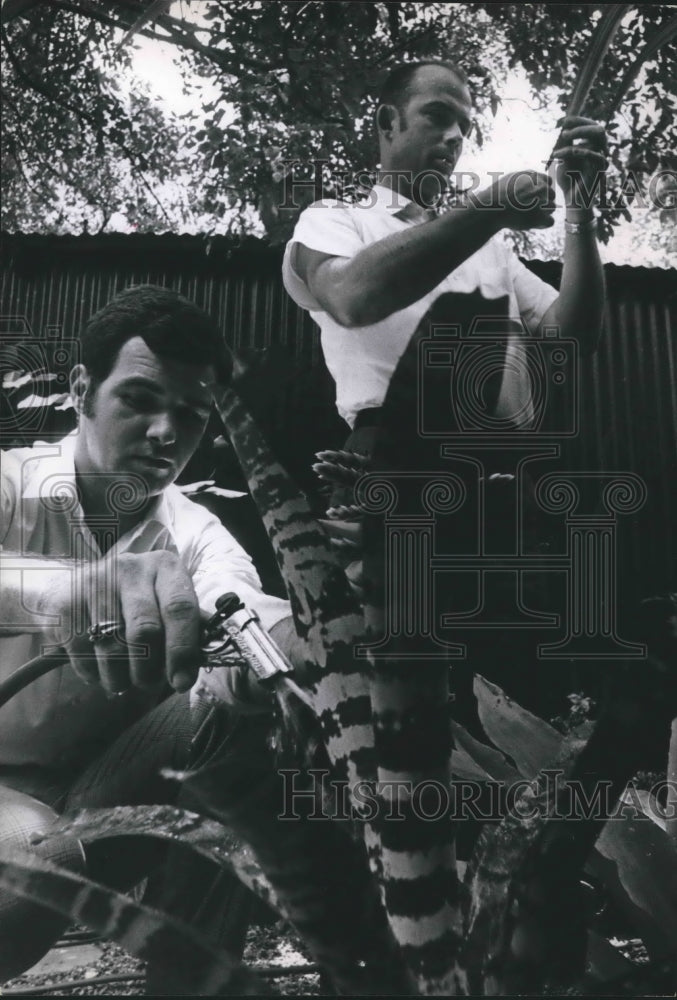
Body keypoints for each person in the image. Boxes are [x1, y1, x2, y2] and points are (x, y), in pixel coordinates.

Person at [0, 284, 298, 980]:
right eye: (138, 400)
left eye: (191, 415)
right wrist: (64, 591)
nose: (166, 433)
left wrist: (297, 643)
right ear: (82, 388)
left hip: (107, 785)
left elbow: (245, 607)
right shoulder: (12, 484)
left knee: (241, 718)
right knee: (31, 871)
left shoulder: (196, 533)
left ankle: (196, 986)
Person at [282, 59, 608, 457]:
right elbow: (351, 297)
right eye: (437, 115)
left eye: (464, 128)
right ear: (388, 122)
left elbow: (575, 337)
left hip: (502, 470)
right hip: (391, 455)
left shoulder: (491, 250)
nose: (455, 137)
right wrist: (490, 208)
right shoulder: (332, 218)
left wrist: (580, 207)